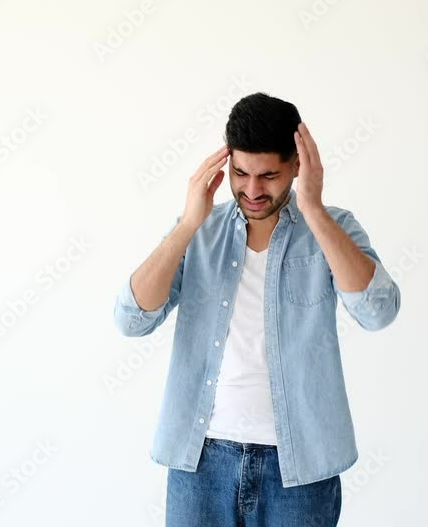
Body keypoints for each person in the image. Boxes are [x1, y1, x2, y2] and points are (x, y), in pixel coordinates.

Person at [113, 92, 401, 526]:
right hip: (200, 464)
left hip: (300, 469)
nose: (252, 190)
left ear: (298, 166)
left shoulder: (334, 226)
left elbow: (378, 312)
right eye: (240, 173)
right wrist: (189, 223)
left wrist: (314, 210)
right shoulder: (200, 229)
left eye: (268, 176)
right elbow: (131, 320)